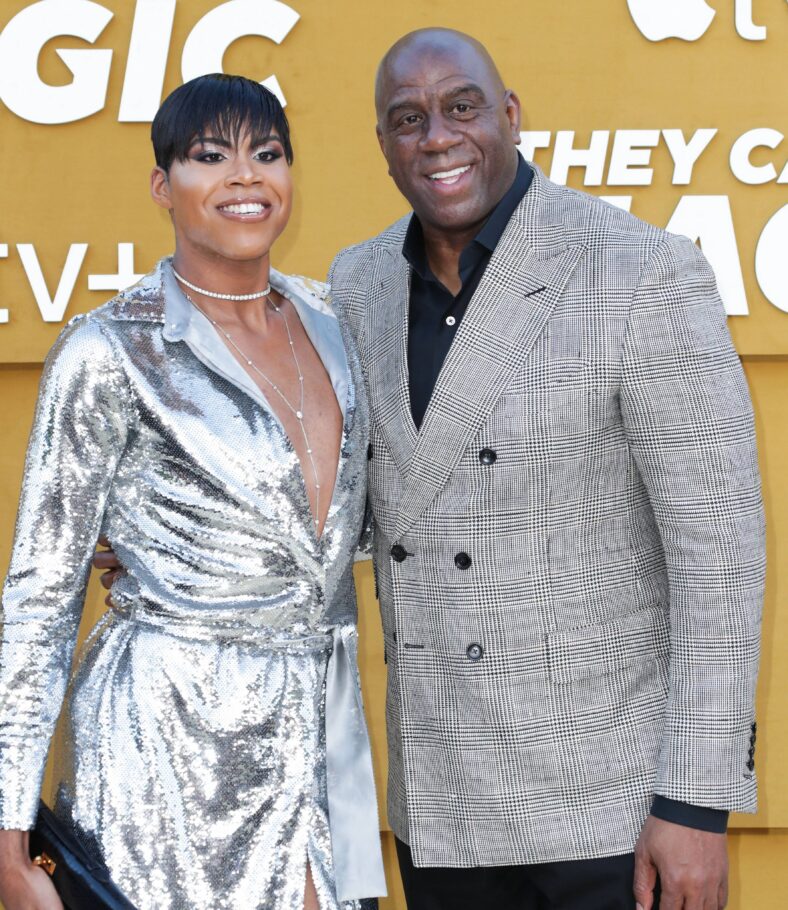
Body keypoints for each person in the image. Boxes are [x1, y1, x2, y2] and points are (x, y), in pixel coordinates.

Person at [325, 28, 765, 910]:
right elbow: (366, 503)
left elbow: (720, 556)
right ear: (382, 147)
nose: (437, 138)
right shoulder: (357, 284)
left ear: (512, 116)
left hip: (613, 809)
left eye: (461, 107)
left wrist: (694, 803)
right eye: (407, 119)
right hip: (442, 806)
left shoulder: (638, 268)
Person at [0, 74, 385, 910]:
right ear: (161, 185)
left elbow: (348, 528)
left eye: (268, 154)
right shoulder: (109, 351)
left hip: (318, 729)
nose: (245, 177)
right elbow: (39, 598)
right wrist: (6, 836)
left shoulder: (337, 327)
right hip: (166, 747)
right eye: (211, 157)